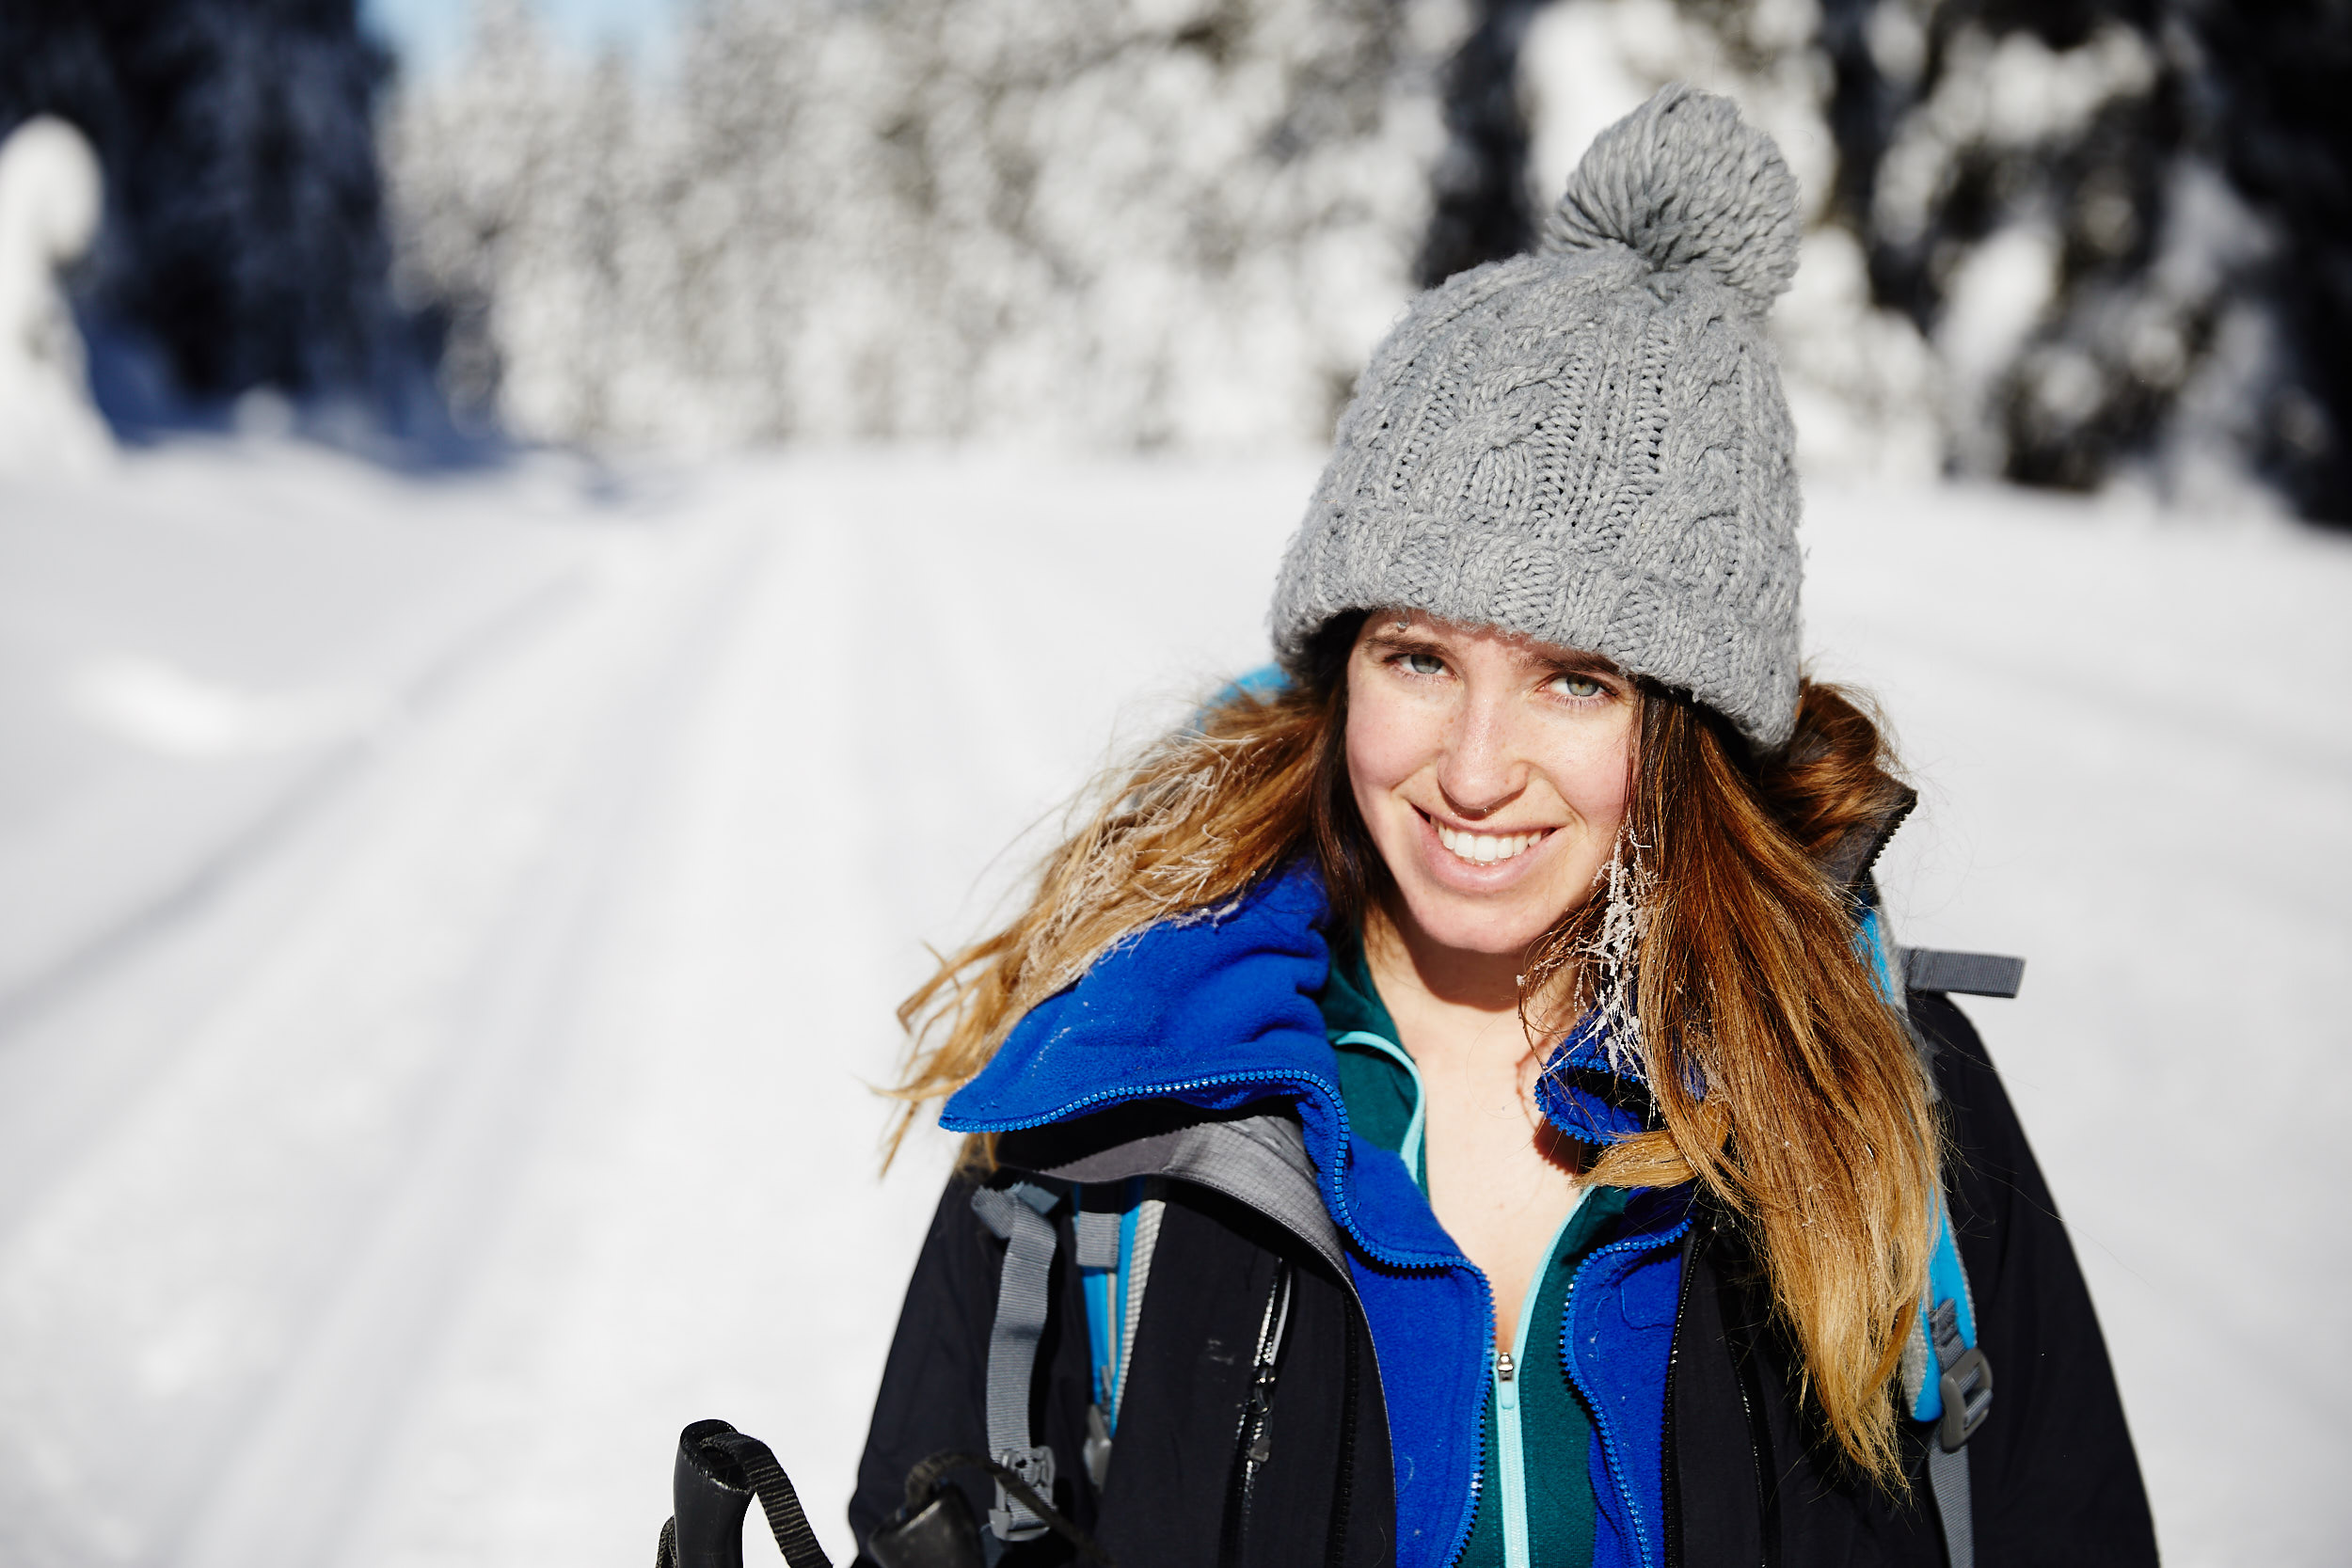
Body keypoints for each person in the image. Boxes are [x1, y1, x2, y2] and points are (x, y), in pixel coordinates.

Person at [849, 86, 2155, 1568]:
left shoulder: (1869, 1098)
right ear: (1339, 661)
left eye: (1574, 682)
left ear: (1685, 727)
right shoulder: (1120, 1115)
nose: (1475, 769)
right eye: (1420, 658)